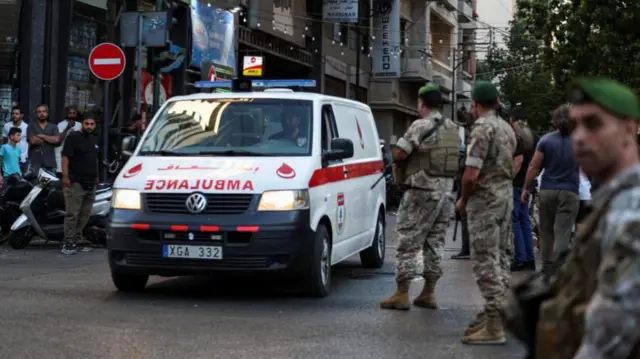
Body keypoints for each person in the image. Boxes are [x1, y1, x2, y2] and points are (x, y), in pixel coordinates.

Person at [504, 77, 640, 359]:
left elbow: (612, 333)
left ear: (629, 129)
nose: (579, 137)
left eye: (593, 124)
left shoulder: (630, 213)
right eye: (576, 125)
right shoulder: (612, 203)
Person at [380, 83, 458, 310]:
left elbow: (400, 153)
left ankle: (401, 293)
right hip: (446, 192)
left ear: (421, 103)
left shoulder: (420, 125)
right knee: (435, 242)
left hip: (421, 191)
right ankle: (429, 292)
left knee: (408, 241)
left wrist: (395, 156)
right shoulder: (452, 127)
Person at [457, 81, 516, 345]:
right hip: (505, 197)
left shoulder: (483, 127)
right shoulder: (507, 127)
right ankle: (497, 313)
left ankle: (494, 325)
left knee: (484, 260)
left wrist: (462, 200)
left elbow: (471, 174)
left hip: (485, 201)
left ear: (476, 104)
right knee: (501, 257)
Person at [521, 105, 580, 275]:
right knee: (563, 230)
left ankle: (547, 265)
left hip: (547, 191)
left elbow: (533, 167)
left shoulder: (546, 140)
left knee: (546, 230)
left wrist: (526, 188)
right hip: (570, 191)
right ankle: (559, 266)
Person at [60, 115, 99, 255]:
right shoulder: (73, 137)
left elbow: (95, 160)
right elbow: (65, 157)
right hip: (75, 181)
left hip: (90, 182)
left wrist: (96, 177)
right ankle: (68, 243)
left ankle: (77, 239)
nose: (89, 126)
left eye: (92, 123)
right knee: (72, 213)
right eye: (86, 123)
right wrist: (65, 177)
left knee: (85, 214)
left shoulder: (94, 139)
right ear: (82, 124)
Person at [509, 112, 536, 272]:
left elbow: (517, 161)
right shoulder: (534, 136)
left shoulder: (517, 137)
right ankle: (529, 258)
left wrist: (508, 179)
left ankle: (520, 258)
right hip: (528, 184)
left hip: (516, 184)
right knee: (524, 220)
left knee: (515, 221)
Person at [27, 104, 59, 174]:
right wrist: (50, 139)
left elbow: (56, 140)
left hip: (50, 164)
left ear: (47, 113)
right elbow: (33, 140)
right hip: (35, 164)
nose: (42, 113)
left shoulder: (53, 127)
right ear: (36, 114)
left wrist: (41, 136)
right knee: (34, 185)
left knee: (52, 185)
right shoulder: (31, 126)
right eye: (39, 112)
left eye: (44, 111)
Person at [55, 106, 82, 176]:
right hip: (63, 151)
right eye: (70, 113)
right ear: (67, 114)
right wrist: (68, 127)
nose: (72, 115)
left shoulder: (80, 125)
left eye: (74, 113)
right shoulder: (60, 124)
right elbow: (59, 139)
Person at [3, 106, 29, 174]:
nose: (14, 115)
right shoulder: (7, 126)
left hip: (22, 159)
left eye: (17, 114)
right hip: (10, 158)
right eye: (13, 113)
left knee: (22, 182)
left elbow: (30, 142)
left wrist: (25, 155)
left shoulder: (27, 127)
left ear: (21, 115)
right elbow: (4, 140)